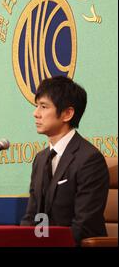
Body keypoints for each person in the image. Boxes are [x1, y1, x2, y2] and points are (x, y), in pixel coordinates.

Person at [21, 76, 109, 245]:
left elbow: (84, 225)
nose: (36, 113)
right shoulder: (40, 159)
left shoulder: (89, 159)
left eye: (44, 107)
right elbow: (32, 216)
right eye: (36, 106)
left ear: (67, 114)